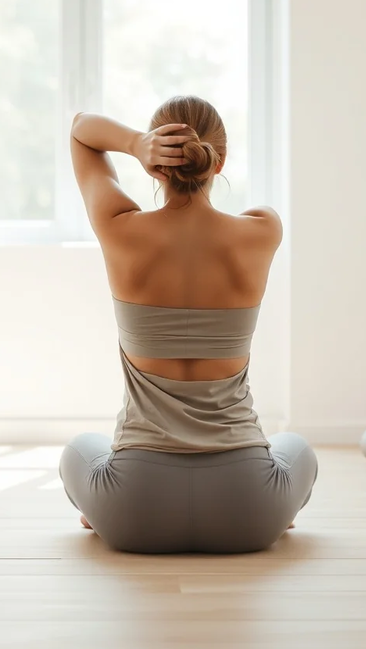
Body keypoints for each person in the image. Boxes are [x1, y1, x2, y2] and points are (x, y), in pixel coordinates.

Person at [60, 95, 317, 554]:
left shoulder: (119, 227)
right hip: (250, 510)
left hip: (134, 510)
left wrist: (135, 143)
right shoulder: (262, 230)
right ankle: (283, 515)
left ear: (154, 168)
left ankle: (97, 510)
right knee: (295, 445)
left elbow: (81, 129)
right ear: (219, 162)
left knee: (80, 448)